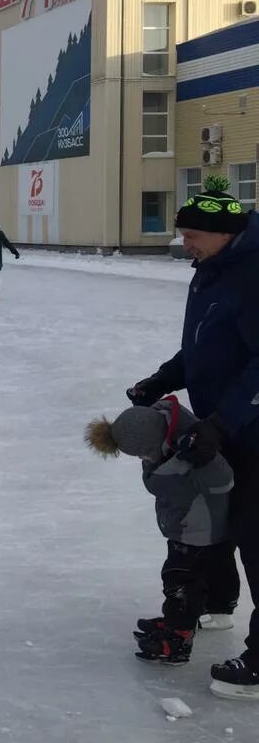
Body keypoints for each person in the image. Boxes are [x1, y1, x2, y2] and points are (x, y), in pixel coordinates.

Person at [126, 184, 259, 699]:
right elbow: (204, 345)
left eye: (194, 235)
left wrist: (222, 423)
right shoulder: (212, 268)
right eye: (183, 234)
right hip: (227, 421)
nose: (186, 244)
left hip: (248, 423)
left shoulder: (252, 274)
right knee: (216, 515)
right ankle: (217, 602)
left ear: (226, 234)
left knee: (256, 533)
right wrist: (161, 380)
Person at [85, 398, 234, 666]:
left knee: (179, 580)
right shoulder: (172, 429)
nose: (144, 459)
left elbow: (223, 480)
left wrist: (184, 470)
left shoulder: (190, 450)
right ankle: (211, 608)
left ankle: (177, 638)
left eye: (144, 454)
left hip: (196, 527)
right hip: (198, 523)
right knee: (210, 567)